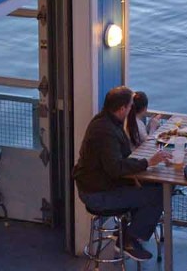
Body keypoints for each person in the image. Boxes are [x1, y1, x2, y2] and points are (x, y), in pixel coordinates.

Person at [73, 86, 170, 260]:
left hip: (101, 184)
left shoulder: (106, 122)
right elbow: (115, 168)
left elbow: (121, 161)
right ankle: (127, 240)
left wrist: (145, 165)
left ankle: (127, 233)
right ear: (122, 108)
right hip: (97, 193)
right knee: (159, 194)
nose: (132, 109)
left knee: (155, 186)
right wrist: (148, 162)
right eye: (131, 106)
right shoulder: (106, 131)